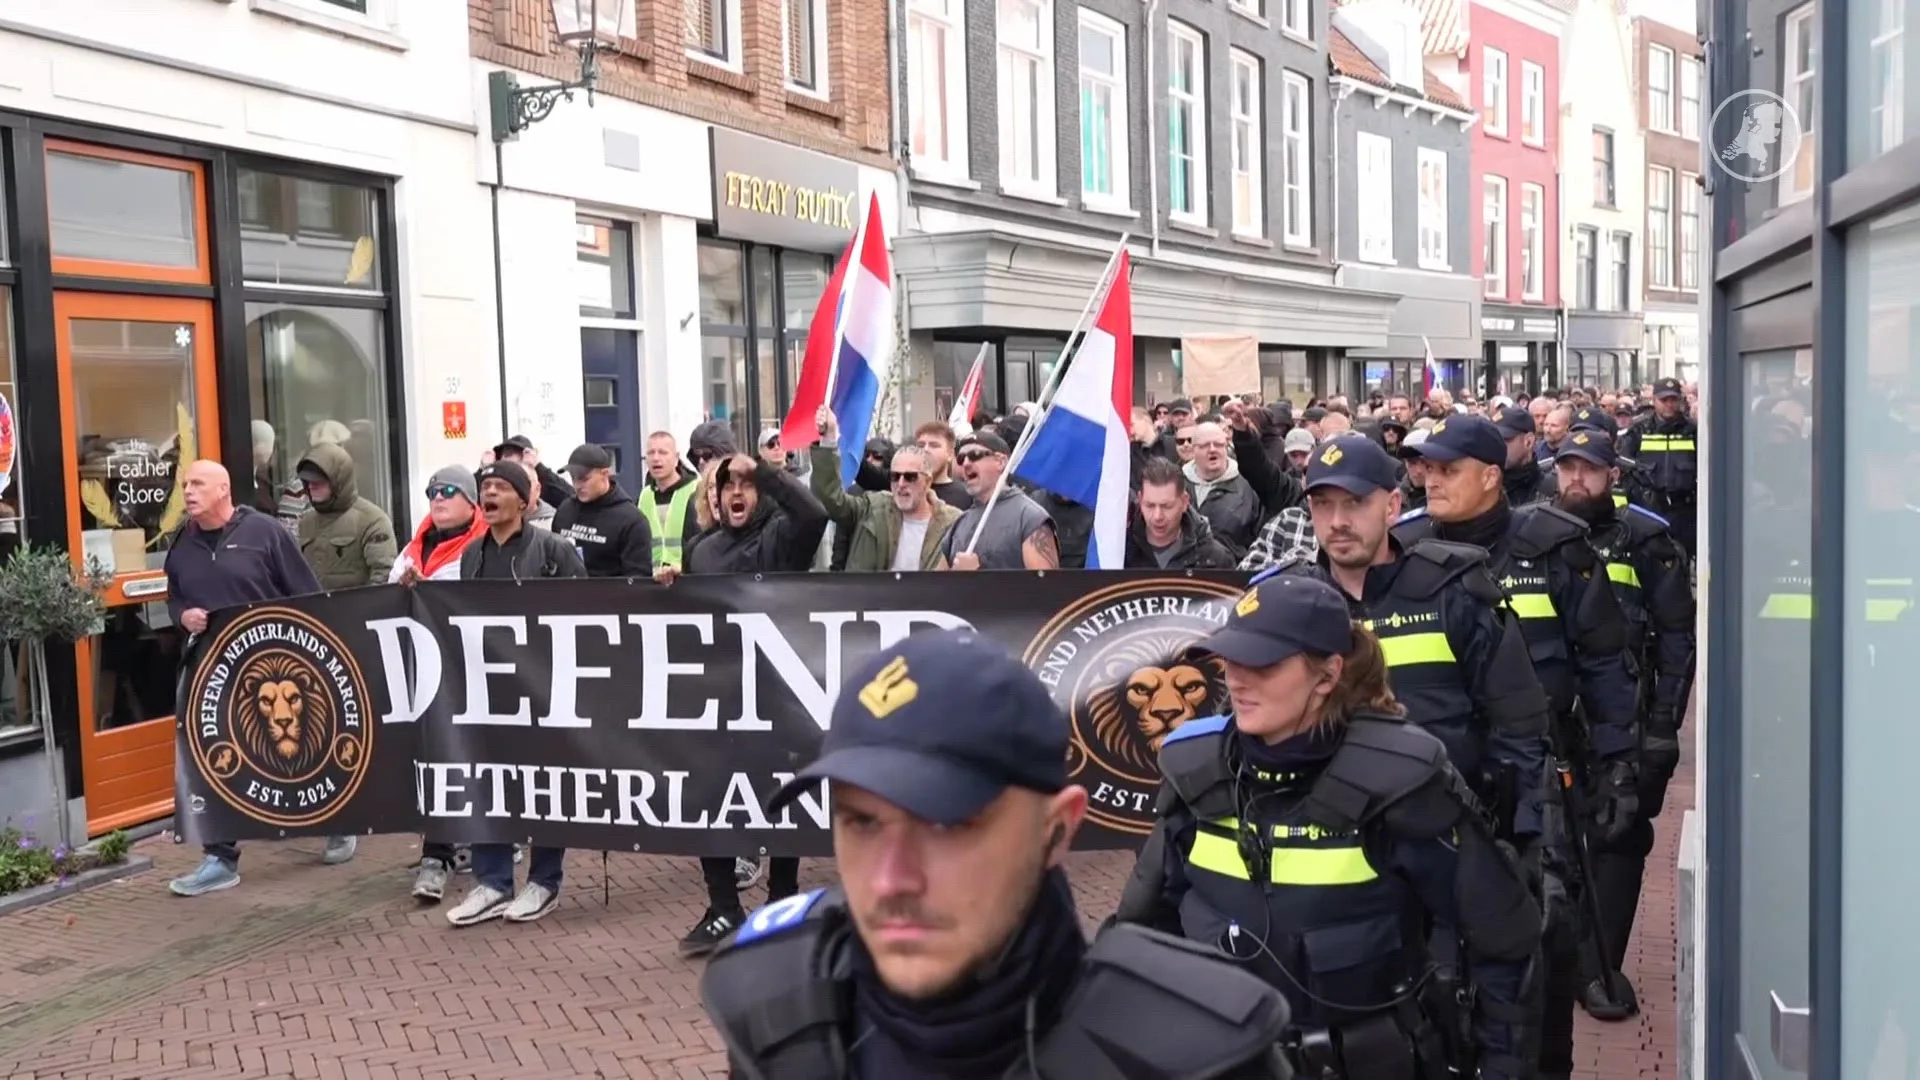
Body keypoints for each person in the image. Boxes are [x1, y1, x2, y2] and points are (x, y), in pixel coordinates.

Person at [702, 630, 1295, 1079]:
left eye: (947, 823)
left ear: (1056, 832)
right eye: (861, 822)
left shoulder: (1195, 1050)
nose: (890, 880)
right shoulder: (778, 1008)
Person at [1114, 575, 1539, 1080]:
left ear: (1326, 674)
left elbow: (1502, 940)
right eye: (1230, 659)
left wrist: (1503, 1066)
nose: (1237, 679)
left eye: (1263, 664)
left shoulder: (1399, 779)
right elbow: (1142, 931)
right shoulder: (1195, 770)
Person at [1391, 414, 1642, 1080]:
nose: (1432, 482)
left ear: (1491, 475)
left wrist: (1621, 768)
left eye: (1448, 471)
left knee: (1545, 929)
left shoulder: (1555, 546)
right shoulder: (1403, 549)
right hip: (1436, 774)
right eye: (1427, 470)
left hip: (1544, 767)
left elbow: (1605, 663)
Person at [1263, 434, 1554, 851]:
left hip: (1444, 840)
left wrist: (1530, 847)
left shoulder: (1454, 592)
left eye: (1355, 502)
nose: (1337, 520)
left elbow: (1519, 730)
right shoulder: (1287, 606)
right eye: (1322, 504)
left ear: (1393, 506)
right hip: (1327, 852)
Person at [1551, 429, 1695, 1019]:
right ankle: (1566, 953)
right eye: (1567, 468)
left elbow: (1678, 641)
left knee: (1621, 837)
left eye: (1588, 469)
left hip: (1630, 719)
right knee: (1559, 838)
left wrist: (1663, 724)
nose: (1575, 480)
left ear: (1613, 475)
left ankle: (1599, 967)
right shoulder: (1538, 537)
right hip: (1564, 721)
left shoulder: (1647, 540)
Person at [668, 449, 830, 955]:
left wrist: (762, 468)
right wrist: (668, 591)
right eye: (726, 486)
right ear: (713, 497)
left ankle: (781, 899)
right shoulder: (701, 549)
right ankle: (723, 908)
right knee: (707, 794)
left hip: (779, 690)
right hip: (721, 693)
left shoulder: (783, 536)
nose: (736, 494)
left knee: (781, 796)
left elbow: (815, 514)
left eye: (746, 486)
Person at [164, 461, 327, 897]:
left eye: (197, 484)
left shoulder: (265, 534)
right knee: (214, 755)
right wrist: (183, 615)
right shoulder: (181, 541)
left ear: (224, 489)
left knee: (297, 754)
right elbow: (174, 594)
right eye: (185, 485)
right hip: (214, 671)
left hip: (274, 669)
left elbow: (306, 593)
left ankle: (337, 822)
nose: (189, 492)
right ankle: (220, 857)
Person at [445, 460, 588, 927]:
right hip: (491, 693)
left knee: (545, 784)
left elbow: (586, 616)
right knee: (491, 781)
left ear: (524, 500)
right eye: (484, 486)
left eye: (500, 487)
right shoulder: (472, 555)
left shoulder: (553, 550)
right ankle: (492, 881)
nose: (489, 494)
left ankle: (544, 881)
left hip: (544, 691)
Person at [811, 407, 960, 571]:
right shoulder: (871, 508)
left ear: (927, 481)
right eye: (895, 477)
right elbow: (831, 498)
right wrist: (829, 440)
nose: (901, 484)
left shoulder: (952, 524)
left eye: (910, 477)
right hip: (870, 596)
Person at [936, 431, 1058, 571]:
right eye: (961, 459)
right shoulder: (960, 523)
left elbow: (1047, 588)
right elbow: (936, 586)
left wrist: (978, 576)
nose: (966, 463)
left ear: (1001, 462)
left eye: (975, 455)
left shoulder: (1029, 517)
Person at [294, 443, 398, 594]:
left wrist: (365, 610)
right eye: (307, 482)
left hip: (355, 612)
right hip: (312, 613)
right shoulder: (306, 521)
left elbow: (383, 575)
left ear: (338, 481)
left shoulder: (372, 520)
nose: (311, 486)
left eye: (318, 481)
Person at [1615, 377, 1699, 554]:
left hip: (1685, 511)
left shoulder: (1693, 431)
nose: (1669, 404)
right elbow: (1623, 464)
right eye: (1664, 400)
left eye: (1673, 399)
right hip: (1648, 508)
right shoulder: (1639, 430)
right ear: (1654, 400)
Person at [552, 443, 653, 578]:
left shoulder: (631, 520)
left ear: (604, 474)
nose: (577, 485)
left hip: (610, 597)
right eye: (573, 478)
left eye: (584, 479)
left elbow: (638, 578)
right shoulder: (565, 511)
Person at [1123, 458, 1236, 569]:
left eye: (1167, 506)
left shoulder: (1214, 559)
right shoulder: (1120, 552)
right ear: (1139, 499)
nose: (1157, 516)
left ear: (1185, 501)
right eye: (1150, 506)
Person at [638, 431, 701, 571]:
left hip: (685, 579)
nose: (656, 458)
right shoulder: (644, 496)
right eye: (651, 453)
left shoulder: (696, 490)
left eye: (662, 452)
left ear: (676, 457)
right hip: (652, 581)